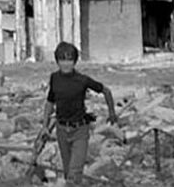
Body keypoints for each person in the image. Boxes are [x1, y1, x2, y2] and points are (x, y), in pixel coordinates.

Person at [43, 41, 118, 185]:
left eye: (69, 59)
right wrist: (45, 126)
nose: (66, 63)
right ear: (57, 61)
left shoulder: (82, 80)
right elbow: (50, 101)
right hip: (61, 130)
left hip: (80, 131)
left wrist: (112, 113)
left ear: (75, 61)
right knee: (67, 172)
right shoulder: (54, 78)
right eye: (62, 59)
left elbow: (106, 91)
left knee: (74, 173)